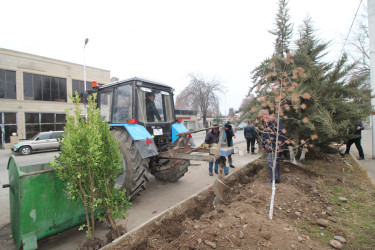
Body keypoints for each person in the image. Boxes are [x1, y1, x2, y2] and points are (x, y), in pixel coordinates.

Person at [258, 109, 285, 184]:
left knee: (271, 161)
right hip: (269, 146)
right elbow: (264, 134)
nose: (261, 119)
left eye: (262, 117)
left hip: (275, 146)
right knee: (274, 162)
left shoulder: (276, 122)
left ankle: (274, 180)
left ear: (266, 114)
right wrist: (263, 144)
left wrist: (279, 145)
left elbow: (281, 134)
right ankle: (276, 179)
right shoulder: (265, 123)